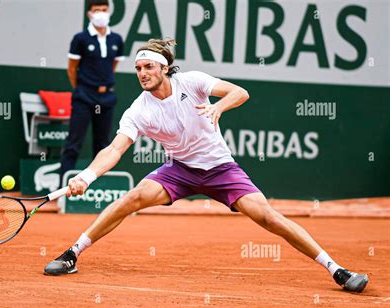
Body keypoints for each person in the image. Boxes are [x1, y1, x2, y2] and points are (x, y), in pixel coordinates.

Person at [45, 38, 368, 293]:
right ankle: (73, 253)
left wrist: (219, 108)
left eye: (148, 67)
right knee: (130, 199)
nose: (141, 73)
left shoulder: (192, 82)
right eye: (138, 68)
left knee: (269, 217)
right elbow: (115, 148)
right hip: (179, 170)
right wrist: (87, 176)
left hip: (221, 170)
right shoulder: (138, 110)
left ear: (164, 68)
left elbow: (240, 92)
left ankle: (336, 269)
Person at [60, 0, 124, 179]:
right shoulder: (80, 38)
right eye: (97, 10)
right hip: (84, 96)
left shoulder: (116, 40)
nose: (101, 14)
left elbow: (113, 66)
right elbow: (72, 69)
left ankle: (99, 189)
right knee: (74, 143)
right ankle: (64, 190)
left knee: (103, 145)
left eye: (104, 10)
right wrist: (82, 87)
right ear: (89, 14)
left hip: (107, 98)